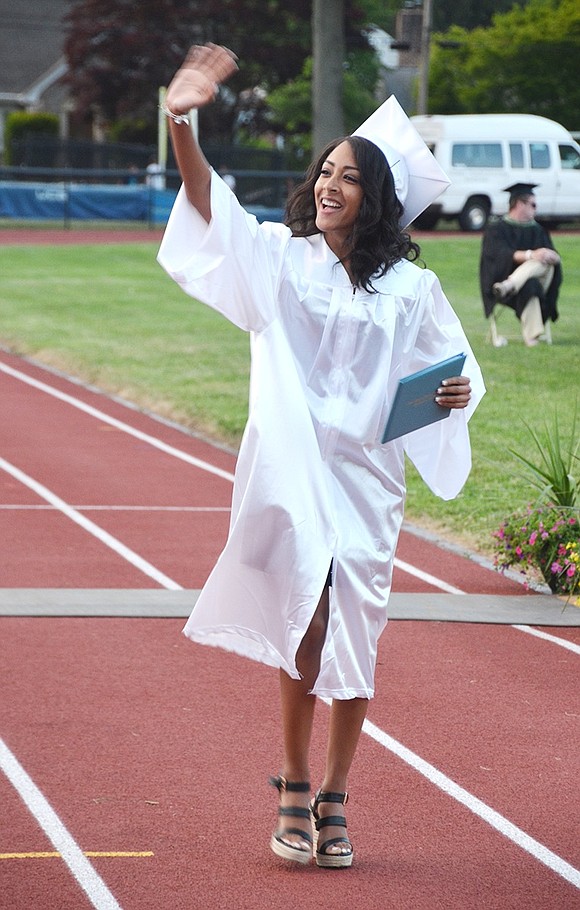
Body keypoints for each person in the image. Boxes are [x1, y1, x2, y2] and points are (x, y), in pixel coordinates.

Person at [157, 43, 485, 869]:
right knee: (307, 617)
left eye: (351, 177)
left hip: (369, 479)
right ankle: (297, 783)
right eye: (326, 170)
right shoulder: (281, 260)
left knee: (356, 632)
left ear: (377, 200)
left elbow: (452, 370)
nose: (331, 183)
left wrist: (454, 396)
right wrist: (182, 119)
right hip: (295, 467)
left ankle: (338, 790)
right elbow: (210, 206)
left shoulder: (414, 289)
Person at [480, 183, 562, 347]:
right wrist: (531, 255)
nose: (535, 209)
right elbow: (499, 255)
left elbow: (553, 259)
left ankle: (509, 284)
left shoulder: (538, 230)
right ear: (519, 203)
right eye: (533, 204)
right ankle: (532, 338)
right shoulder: (496, 229)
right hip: (505, 283)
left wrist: (550, 256)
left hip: (528, 283)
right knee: (529, 284)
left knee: (545, 261)